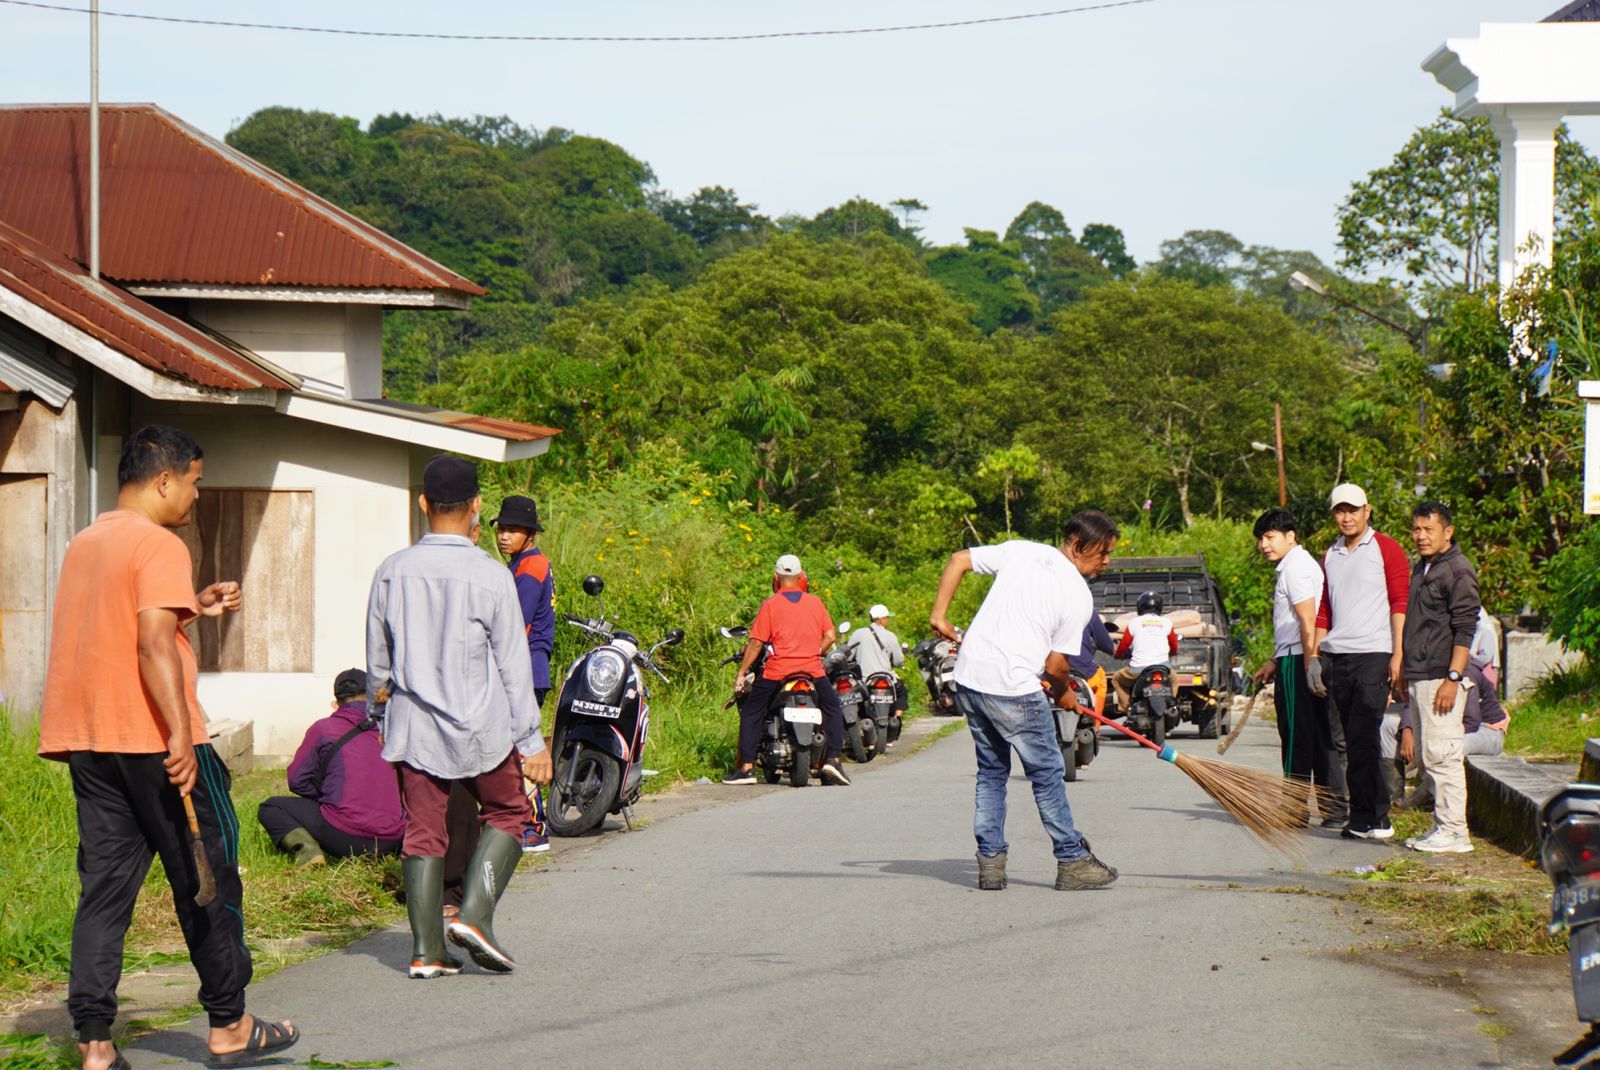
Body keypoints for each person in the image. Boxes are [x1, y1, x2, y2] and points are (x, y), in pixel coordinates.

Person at [37, 425, 299, 1070]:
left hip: (91, 743)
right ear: (164, 479)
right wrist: (180, 733)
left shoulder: (86, 542)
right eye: (195, 481)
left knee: (104, 891)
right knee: (208, 878)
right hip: (158, 744)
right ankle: (230, 1023)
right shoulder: (159, 543)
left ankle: (95, 1042)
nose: (196, 495)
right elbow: (149, 644)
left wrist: (191, 609)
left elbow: (127, 622)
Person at [366, 455, 553, 978]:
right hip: (481, 726)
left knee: (423, 832)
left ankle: (426, 952)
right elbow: (515, 669)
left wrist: (379, 715)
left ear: (423, 504)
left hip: (414, 726)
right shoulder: (491, 576)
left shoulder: (391, 571)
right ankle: (474, 915)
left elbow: (378, 663)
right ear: (476, 507)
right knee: (510, 811)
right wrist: (531, 741)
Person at [928, 510, 1122, 893]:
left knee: (992, 772)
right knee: (1047, 774)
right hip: (1013, 686)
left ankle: (991, 865)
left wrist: (939, 615)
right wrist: (1065, 694)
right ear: (1079, 544)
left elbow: (958, 560)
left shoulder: (1020, 551)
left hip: (969, 678)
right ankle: (1071, 860)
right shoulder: (1078, 595)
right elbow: (1056, 666)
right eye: (1102, 553)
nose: (1106, 562)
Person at [1312, 483, 1410, 842]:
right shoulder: (1331, 554)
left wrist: (1397, 653)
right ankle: (1366, 817)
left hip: (1374, 652)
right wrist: (1314, 657)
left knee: (1364, 737)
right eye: (1340, 510)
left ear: (1367, 510)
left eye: (1353, 509)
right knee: (1350, 743)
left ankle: (1375, 817)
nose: (1347, 517)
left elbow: (1400, 602)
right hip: (1337, 656)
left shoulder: (1386, 548)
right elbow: (1325, 609)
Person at [1251, 508, 1347, 827]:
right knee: (1320, 736)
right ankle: (1333, 810)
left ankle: (1294, 809)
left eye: (1269, 537)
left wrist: (1310, 665)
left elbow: (1308, 621)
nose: (1264, 545)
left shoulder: (1295, 569)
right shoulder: (1301, 565)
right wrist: (1273, 661)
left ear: (1290, 536)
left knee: (1295, 737)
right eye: (1260, 539)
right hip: (1296, 657)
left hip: (1301, 660)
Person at [1397, 500, 1482, 854]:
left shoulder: (1458, 571)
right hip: (1419, 674)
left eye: (1428, 529)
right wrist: (1403, 669)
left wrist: (1452, 678)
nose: (1420, 536)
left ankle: (1455, 831)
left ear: (1448, 531)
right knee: (1429, 757)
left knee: (1444, 755)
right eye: (1416, 529)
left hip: (1441, 676)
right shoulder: (1424, 567)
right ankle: (1441, 826)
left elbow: (1465, 629)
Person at [723, 555, 852, 786]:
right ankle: (833, 759)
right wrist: (815, 653)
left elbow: (756, 643)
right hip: (813, 671)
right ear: (801, 576)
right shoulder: (816, 602)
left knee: (753, 710)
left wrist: (742, 672)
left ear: (776, 577)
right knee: (832, 707)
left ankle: (747, 768)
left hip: (777, 671)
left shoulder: (771, 605)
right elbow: (830, 636)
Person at [257, 668, 404, 865]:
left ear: (336, 702)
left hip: (342, 838)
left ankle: (308, 853)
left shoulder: (323, 728)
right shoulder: (393, 729)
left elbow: (297, 780)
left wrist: (332, 796)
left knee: (271, 807)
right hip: (394, 839)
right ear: (371, 695)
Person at [490, 494, 554, 854]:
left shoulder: (529, 568)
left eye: (513, 530)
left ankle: (532, 826)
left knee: (522, 749)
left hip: (524, 669)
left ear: (530, 533)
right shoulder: (523, 563)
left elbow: (517, 626)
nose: (504, 535)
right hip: (529, 668)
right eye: (502, 528)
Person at [1381, 661, 1509, 804]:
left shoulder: (1466, 672)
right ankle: (1392, 793)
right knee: (1388, 725)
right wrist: (1407, 730)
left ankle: (1425, 794)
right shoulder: (1428, 668)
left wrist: (1429, 737)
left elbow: (1471, 722)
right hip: (1440, 726)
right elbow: (1412, 703)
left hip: (1486, 731)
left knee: (1453, 744)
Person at [846, 602, 909, 747]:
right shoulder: (890, 636)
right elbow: (899, 661)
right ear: (880, 619)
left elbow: (849, 655)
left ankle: (860, 729)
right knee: (902, 692)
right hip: (887, 678)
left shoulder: (859, 634)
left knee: (857, 700)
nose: (888, 620)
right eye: (887, 617)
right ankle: (897, 719)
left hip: (866, 679)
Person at [1109, 592, 1178, 713]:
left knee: (1116, 679)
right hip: (1163, 668)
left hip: (1138, 670)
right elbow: (1174, 645)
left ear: (1140, 607)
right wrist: (1172, 653)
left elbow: (1124, 645)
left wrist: (1118, 655)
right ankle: (1172, 706)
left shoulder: (1134, 622)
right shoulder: (1166, 623)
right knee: (1175, 679)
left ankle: (1127, 708)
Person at [1072, 614, 1117, 716]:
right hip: (1085, 674)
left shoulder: (1049, 610)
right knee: (1101, 679)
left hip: (1052, 674)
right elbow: (1108, 646)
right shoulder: (1088, 613)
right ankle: (1096, 723)